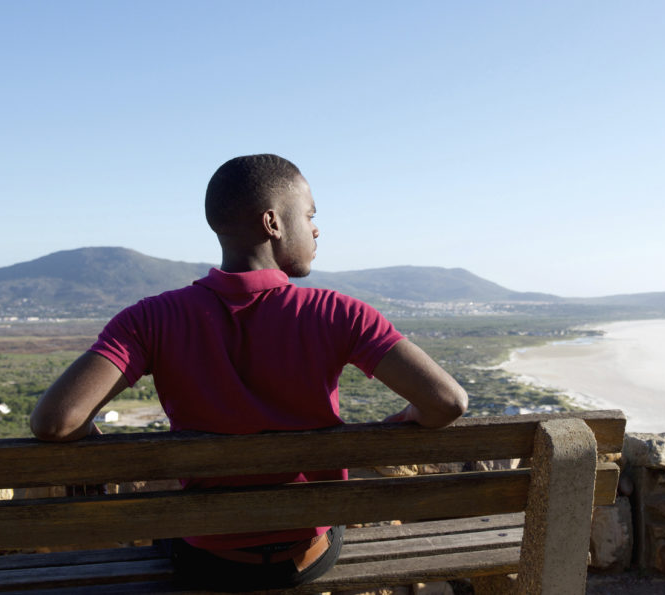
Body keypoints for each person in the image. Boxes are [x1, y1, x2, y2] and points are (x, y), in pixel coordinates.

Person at [30, 153, 468, 590]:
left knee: (166, 535)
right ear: (274, 223)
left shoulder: (151, 319)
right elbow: (447, 402)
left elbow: (55, 421)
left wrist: (94, 441)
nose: (316, 228)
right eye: (310, 215)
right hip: (304, 557)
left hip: (209, 559)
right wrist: (405, 419)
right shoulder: (338, 313)